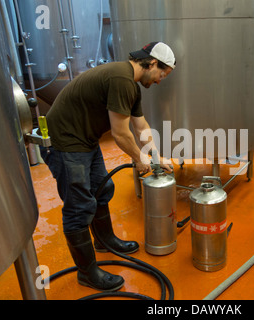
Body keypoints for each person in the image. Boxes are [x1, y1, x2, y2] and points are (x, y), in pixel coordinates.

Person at [40, 42, 176, 292]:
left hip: (84, 140)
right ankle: (87, 274)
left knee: (102, 189)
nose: (159, 81)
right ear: (153, 63)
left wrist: (156, 156)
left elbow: (141, 126)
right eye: (162, 75)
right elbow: (121, 134)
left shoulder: (131, 86)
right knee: (79, 208)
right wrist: (138, 158)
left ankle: (105, 241)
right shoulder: (121, 79)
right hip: (64, 143)